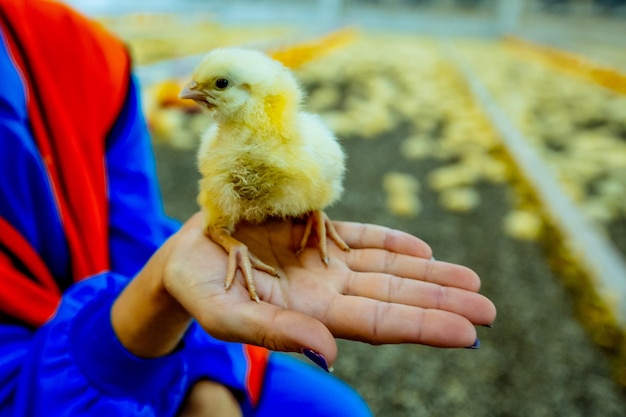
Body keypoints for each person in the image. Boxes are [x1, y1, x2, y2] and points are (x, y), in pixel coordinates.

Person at [0, 0, 497, 416]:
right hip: (61, 371)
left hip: (140, 334)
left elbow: (140, 240)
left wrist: (205, 377)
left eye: (213, 87)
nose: (189, 93)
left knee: (336, 410)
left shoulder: (81, 53)